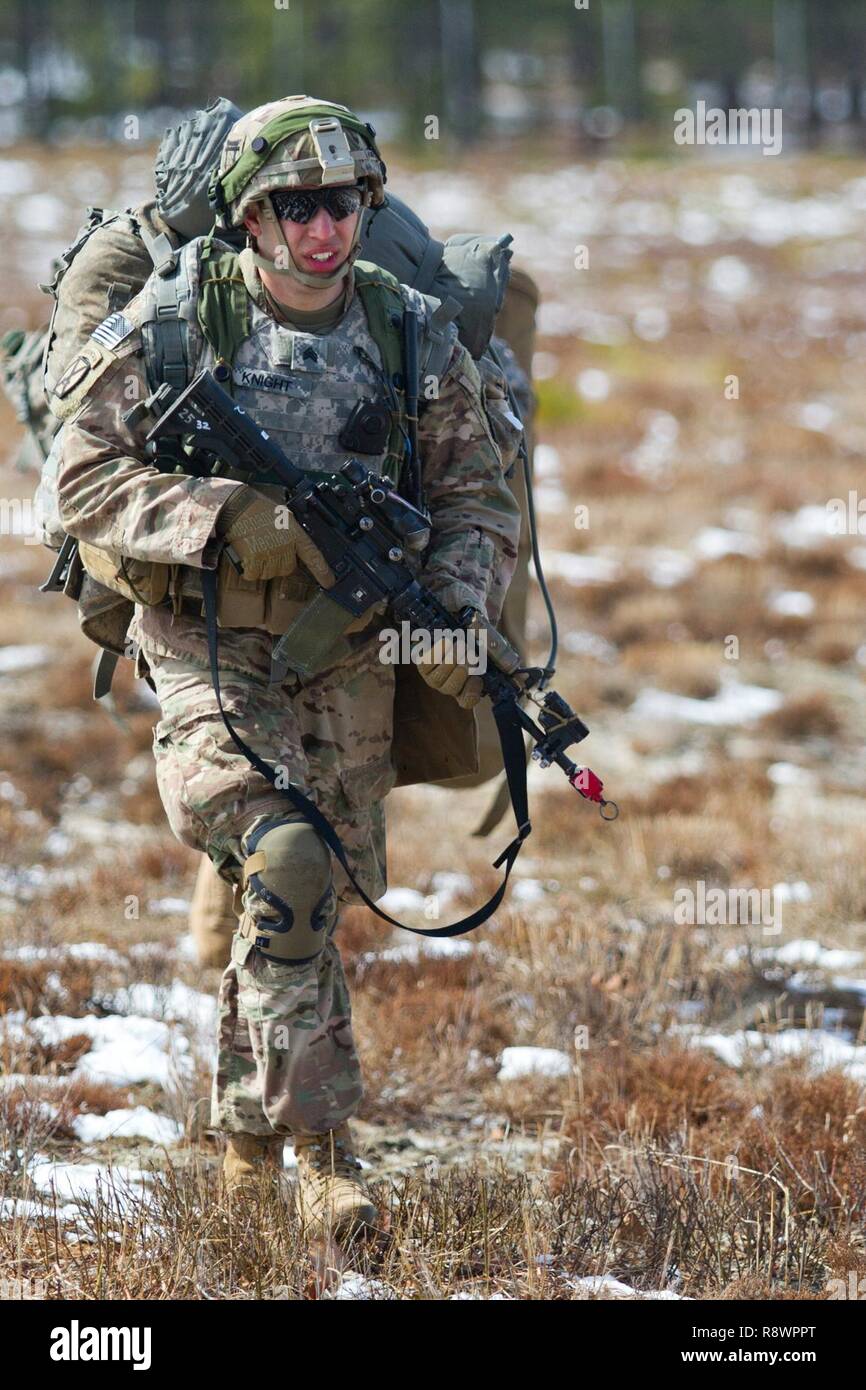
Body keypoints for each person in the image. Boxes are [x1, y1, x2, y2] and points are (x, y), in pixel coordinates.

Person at [54, 94, 521, 1238]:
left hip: (348, 646)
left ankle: (242, 1144)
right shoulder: (178, 323)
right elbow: (75, 483)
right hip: (207, 636)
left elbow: (474, 494)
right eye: (295, 206)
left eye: (345, 202)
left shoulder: (407, 328)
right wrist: (227, 520)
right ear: (251, 218)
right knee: (291, 861)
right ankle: (320, 1161)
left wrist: (456, 611)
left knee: (298, 907)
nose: (324, 228)